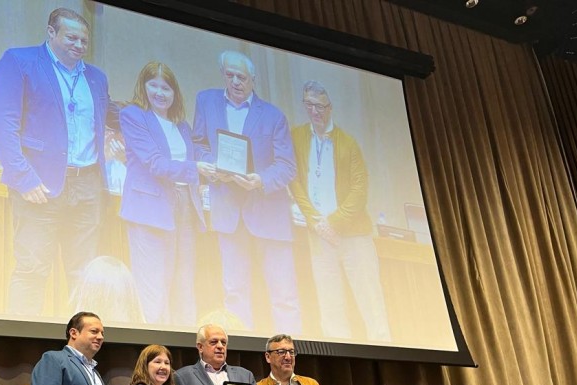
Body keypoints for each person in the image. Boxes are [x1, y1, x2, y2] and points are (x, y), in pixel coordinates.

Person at [0, 8, 111, 316]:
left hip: (87, 187)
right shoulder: (19, 61)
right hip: (39, 185)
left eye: (84, 40)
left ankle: (82, 345)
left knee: (84, 275)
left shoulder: (96, 78)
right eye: (71, 37)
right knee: (32, 270)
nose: (79, 45)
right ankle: (20, 342)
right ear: (51, 32)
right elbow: (2, 122)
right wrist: (23, 177)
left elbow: (107, 120)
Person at [191, 51, 300, 335]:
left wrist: (260, 180)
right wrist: (212, 166)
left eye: (242, 77)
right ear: (222, 74)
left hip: (268, 213)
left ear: (253, 79)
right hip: (228, 211)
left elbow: (287, 166)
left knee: (283, 294)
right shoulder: (206, 101)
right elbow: (198, 144)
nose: (236, 82)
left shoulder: (274, 115)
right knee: (234, 291)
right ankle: (242, 350)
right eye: (230, 75)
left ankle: (288, 353)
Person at [288, 80, 390, 343]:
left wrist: (331, 222)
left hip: (354, 235)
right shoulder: (297, 136)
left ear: (330, 107)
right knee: (329, 302)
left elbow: (359, 191)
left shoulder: (348, 143)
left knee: (370, 300)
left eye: (320, 106)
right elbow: (294, 182)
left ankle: (383, 347)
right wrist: (315, 222)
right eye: (309, 105)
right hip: (318, 235)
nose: (314, 111)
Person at [120, 61, 210, 326]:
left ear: (175, 92)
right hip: (149, 210)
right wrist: (197, 169)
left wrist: (219, 166)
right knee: (152, 284)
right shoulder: (133, 116)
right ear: (143, 86)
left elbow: (197, 156)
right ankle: (153, 343)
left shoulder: (181, 126)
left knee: (184, 283)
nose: (160, 93)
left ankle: (184, 342)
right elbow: (155, 163)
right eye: (154, 85)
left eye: (166, 88)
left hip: (185, 207)